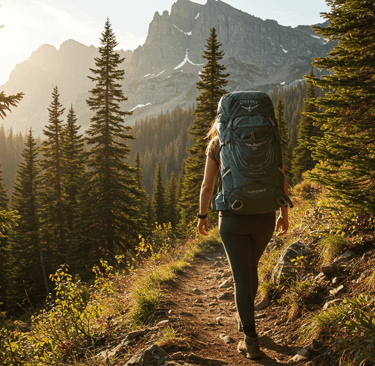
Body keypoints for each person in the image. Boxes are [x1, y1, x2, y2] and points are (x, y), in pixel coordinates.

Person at [197, 117, 289, 360]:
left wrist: (202, 215)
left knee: (240, 276)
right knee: (250, 268)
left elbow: (208, 185)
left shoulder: (217, 143)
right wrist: (284, 214)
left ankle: (251, 340)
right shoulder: (270, 141)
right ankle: (244, 318)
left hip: (232, 217)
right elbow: (281, 179)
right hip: (265, 216)